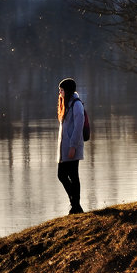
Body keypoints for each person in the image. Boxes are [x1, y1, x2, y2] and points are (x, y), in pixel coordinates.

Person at [56, 77, 85, 214]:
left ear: (67, 91)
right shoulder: (66, 104)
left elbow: (78, 127)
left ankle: (76, 206)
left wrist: (73, 146)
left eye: (61, 90)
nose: (60, 93)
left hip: (72, 147)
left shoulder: (76, 104)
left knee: (72, 175)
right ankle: (75, 205)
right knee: (62, 175)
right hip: (65, 148)